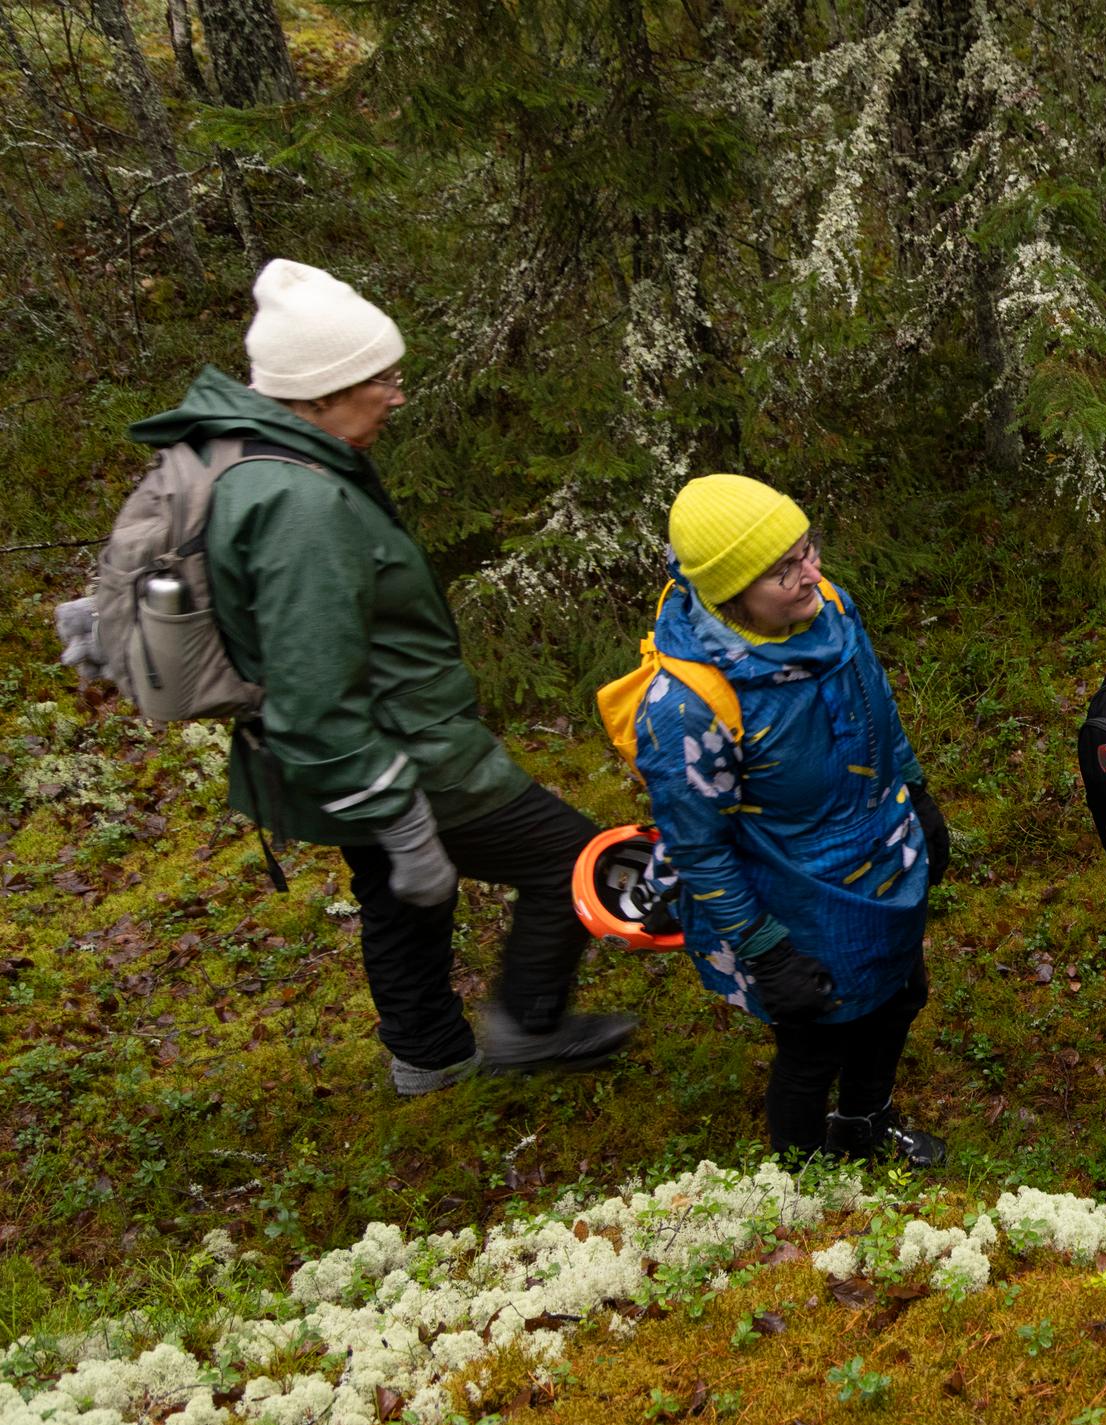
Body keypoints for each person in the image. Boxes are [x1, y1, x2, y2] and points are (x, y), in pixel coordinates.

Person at [119, 260, 638, 1097]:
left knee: (401, 896)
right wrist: (396, 812)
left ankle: (428, 1056)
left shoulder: (249, 451)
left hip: (340, 753)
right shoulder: (300, 504)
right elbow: (314, 692)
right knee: (570, 859)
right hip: (396, 750)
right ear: (323, 391)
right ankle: (529, 1025)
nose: (397, 396)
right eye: (382, 380)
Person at [632, 474, 948, 1166]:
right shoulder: (686, 708)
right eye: (785, 568)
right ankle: (803, 1188)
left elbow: (874, 697)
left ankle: (864, 1126)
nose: (812, 572)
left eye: (809, 549)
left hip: (879, 854)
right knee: (815, 1045)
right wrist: (768, 952)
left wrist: (916, 792)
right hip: (793, 897)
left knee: (899, 997)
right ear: (731, 593)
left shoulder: (830, 608)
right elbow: (699, 849)